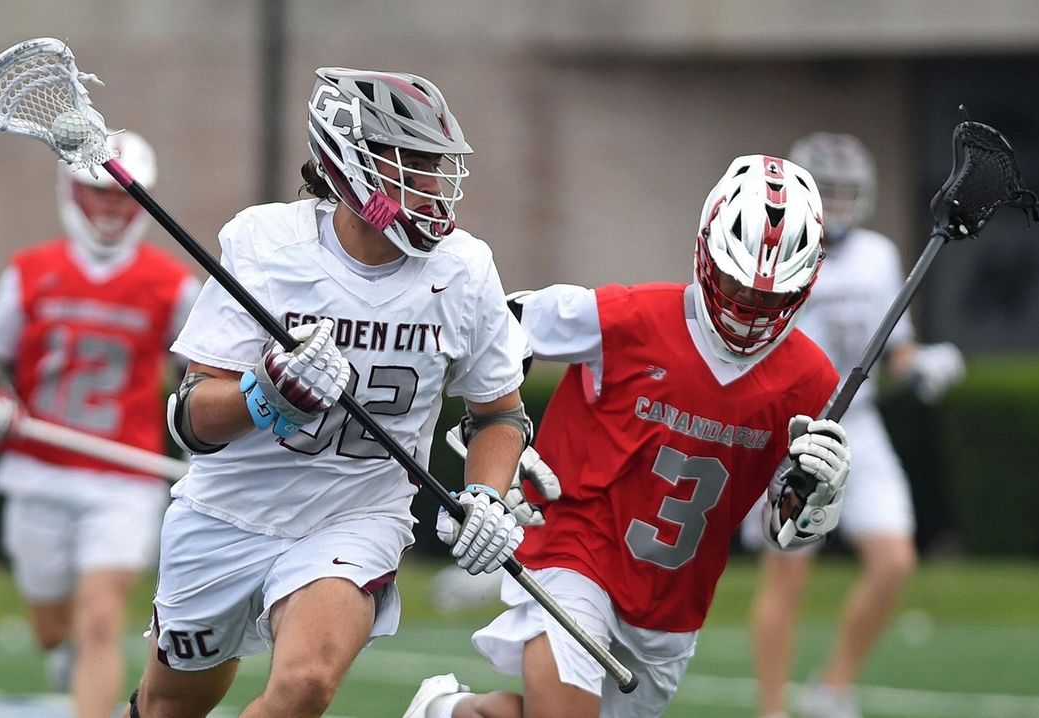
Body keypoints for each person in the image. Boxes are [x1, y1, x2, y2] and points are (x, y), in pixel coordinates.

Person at [121, 67, 532, 718]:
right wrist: (267, 394)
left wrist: (486, 492)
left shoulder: (464, 270)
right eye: (413, 164)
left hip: (355, 517)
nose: (433, 187)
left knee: (305, 685)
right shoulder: (266, 244)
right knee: (171, 703)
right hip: (227, 514)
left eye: (438, 164)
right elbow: (192, 419)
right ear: (351, 164)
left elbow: (500, 413)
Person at [406, 154, 854, 718]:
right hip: (571, 550)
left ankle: (446, 712)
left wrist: (813, 505)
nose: (748, 309)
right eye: (738, 285)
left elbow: (782, 529)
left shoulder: (812, 381)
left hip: (670, 604)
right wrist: (498, 437)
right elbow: (499, 323)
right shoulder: (629, 318)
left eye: (767, 297)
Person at [0, 130, 201, 718]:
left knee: (100, 617)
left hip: (126, 474)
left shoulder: (172, 285)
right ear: (71, 190)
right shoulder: (30, 271)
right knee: (52, 626)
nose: (112, 207)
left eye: (124, 195)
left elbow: (203, 374)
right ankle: (61, 654)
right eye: (99, 192)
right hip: (39, 471)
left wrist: (204, 445)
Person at [743, 132, 966, 718]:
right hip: (792, 425)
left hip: (857, 423)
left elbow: (895, 347)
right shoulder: (777, 247)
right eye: (828, 193)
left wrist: (922, 367)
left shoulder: (879, 254)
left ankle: (831, 687)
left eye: (847, 193)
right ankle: (772, 709)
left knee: (894, 561)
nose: (838, 205)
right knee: (788, 571)